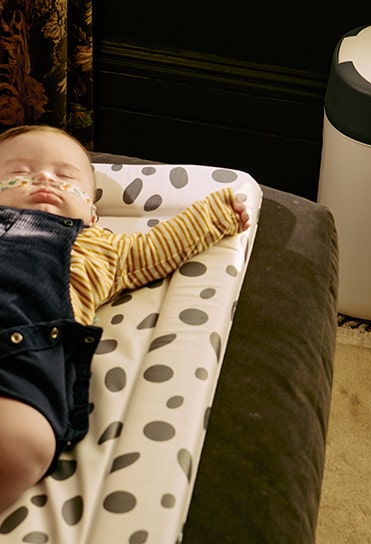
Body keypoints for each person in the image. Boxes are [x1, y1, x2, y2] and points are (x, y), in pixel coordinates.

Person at [0, 125, 250, 513]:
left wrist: (217, 213)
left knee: (22, 442)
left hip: (27, 350)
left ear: (93, 213)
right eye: (18, 172)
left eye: (66, 178)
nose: (45, 179)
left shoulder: (103, 246)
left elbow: (158, 247)